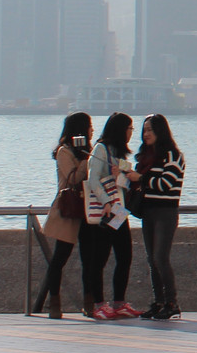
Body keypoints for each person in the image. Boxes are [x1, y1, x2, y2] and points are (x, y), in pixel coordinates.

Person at [81, 112, 139, 320]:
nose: (131, 133)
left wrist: (121, 176)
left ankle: (119, 303)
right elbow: (93, 179)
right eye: (129, 128)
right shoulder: (101, 149)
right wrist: (106, 201)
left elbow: (125, 182)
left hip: (119, 211)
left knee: (124, 256)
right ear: (120, 129)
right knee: (100, 258)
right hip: (107, 210)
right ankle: (98, 304)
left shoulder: (120, 154)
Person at [35, 112, 91, 319]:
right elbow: (72, 179)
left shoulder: (87, 150)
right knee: (60, 258)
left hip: (86, 210)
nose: (91, 130)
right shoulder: (65, 152)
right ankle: (54, 303)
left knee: (89, 259)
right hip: (69, 209)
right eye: (89, 126)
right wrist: (86, 160)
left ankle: (89, 302)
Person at [131, 114, 185, 321]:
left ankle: (172, 302)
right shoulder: (146, 157)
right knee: (151, 260)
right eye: (144, 130)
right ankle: (159, 301)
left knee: (161, 257)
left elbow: (166, 184)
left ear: (161, 131)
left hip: (165, 211)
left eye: (150, 130)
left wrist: (141, 179)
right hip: (148, 212)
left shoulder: (173, 156)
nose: (146, 135)